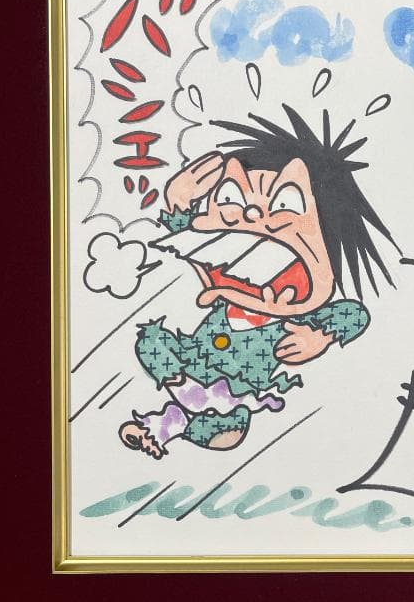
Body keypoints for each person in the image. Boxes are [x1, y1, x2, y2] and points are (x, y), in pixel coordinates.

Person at [119, 105, 396, 457]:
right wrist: (178, 205)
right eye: (232, 198)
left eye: (286, 202)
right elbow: (191, 240)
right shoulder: (231, 268)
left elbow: (352, 313)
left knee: (228, 431)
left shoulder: (295, 307)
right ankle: (183, 395)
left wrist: (320, 336)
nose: (252, 215)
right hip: (192, 361)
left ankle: (174, 421)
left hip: (241, 383)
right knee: (150, 340)